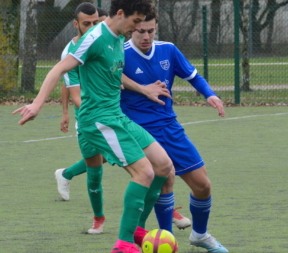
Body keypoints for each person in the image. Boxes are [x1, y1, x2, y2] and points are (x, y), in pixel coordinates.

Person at [13, 1, 173, 252]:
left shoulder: (119, 35)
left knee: (163, 165)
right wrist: (37, 104)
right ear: (120, 14)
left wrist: (143, 89)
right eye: (135, 22)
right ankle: (123, 244)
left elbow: (112, 71)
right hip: (98, 120)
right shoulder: (94, 37)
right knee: (144, 173)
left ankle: (138, 230)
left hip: (116, 116)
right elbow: (59, 68)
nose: (138, 28)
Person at [120, 7, 229, 253]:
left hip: (169, 125)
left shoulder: (168, 49)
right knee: (165, 177)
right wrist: (141, 88)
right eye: (140, 31)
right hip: (138, 130)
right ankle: (165, 238)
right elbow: (109, 79)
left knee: (203, 185)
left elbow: (193, 76)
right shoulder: (120, 53)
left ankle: (200, 235)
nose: (145, 36)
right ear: (131, 29)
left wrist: (210, 95)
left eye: (150, 31)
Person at [54, 3, 106, 235]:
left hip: (115, 114)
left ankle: (169, 210)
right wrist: (66, 112)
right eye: (87, 24)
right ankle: (98, 219)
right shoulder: (71, 53)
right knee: (97, 170)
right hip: (91, 119)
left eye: (96, 23)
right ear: (76, 25)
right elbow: (75, 93)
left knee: (142, 161)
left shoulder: (108, 38)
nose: (93, 27)